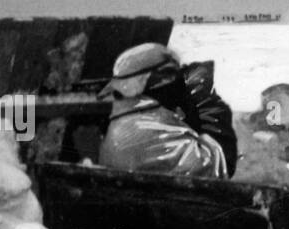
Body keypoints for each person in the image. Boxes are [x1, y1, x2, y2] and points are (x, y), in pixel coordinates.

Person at [98, 43, 229, 179]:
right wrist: (208, 143)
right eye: (172, 79)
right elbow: (206, 172)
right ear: (155, 85)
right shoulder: (155, 127)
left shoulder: (118, 124)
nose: (178, 86)